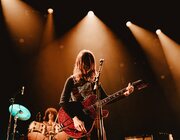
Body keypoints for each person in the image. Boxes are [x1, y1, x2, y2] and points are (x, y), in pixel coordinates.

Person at [59, 49, 134, 140]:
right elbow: (63, 102)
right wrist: (75, 119)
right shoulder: (72, 80)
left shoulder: (94, 81)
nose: (87, 68)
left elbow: (106, 99)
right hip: (78, 121)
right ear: (79, 64)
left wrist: (125, 94)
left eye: (89, 65)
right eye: (85, 65)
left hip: (93, 120)